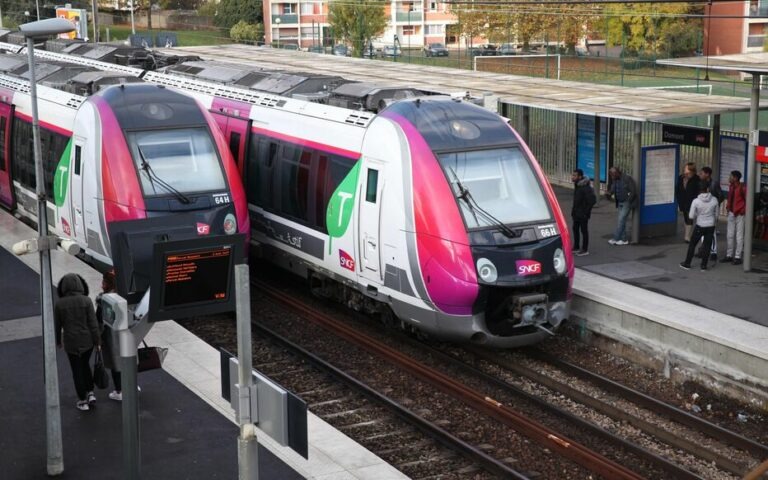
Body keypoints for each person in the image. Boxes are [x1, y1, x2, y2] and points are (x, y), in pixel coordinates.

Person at [55, 273, 101, 411]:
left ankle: (82, 400)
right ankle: (91, 393)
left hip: (71, 341)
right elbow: (93, 323)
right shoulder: (86, 301)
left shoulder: (59, 304)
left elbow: (57, 326)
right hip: (87, 340)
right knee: (85, 365)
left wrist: (58, 341)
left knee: (76, 370)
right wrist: (97, 341)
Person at [96, 270, 123, 401]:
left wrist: (98, 339)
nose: (101, 285)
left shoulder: (103, 300)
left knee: (115, 362)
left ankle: (119, 390)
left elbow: (98, 321)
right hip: (126, 334)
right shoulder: (124, 296)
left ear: (107, 283)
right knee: (129, 359)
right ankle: (131, 385)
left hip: (111, 337)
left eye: (103, 282)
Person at [680, 183, 719, 271]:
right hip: (711, 225)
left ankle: (687, 263)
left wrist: (699, 214)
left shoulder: (696, 201)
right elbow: (717, 215)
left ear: (699, 191)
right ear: (708, 189)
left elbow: (691, 216)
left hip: (700, 225)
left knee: (692, 244)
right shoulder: (714, 200)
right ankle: (703, 266)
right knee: (707, 245)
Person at [696, 166, 724, 262]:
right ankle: (704, 250)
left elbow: (721, 196)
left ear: (707, 174)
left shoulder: (714, 183)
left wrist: (714, 205)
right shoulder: (701, 183)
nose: (700, 175)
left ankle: (713, 252)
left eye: (702, 173)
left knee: (712, 233)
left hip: (711, 211)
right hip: (703, 211)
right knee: (703, 232)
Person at [605, 166, 638, 245]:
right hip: (619, 202)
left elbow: (633, 191)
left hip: (627, 202)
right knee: (621, 221)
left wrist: (629, 201)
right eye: (611, 175)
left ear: (617, 173)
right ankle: (624, 239)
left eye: (613, 174)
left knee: (621, 220)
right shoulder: (615, 179)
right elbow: (613, 189)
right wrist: (609, 193)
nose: (612, 177)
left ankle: (616, 238)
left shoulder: (627, 178)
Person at [722, 170, 746, 265]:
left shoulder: (743, 188)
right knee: (730, 235)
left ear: (735, 178)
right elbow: (729, 198)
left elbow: (747, 200)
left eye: (731, 176)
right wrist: (728, 207)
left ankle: (737, 256)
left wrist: (743, 210)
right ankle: (729, 255)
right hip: (732, 212)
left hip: (739, 213)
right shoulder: (731, 186)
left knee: (739, 236)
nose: (729, 178)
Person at [571, 168, 596, 256]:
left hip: (582, 214)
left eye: (574, 175)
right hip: (577, 213)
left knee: (584, 231)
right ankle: (576, 247)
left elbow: (592, 200)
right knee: (575, 229)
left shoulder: (585, 188)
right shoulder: (578, 185)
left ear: (580, 176)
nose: (572, 177)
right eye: (573, 175)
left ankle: (585, 249)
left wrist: (586, 212)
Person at [675, 162, 700, 243]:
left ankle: (687, 236)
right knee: (686, 217)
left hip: (692, 201)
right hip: (683, 200)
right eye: (685, 168)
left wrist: (696, 200)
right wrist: (678, 198)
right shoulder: (681, 177)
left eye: (687, 168)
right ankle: (687, 234)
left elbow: (698, 190)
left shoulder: (696, 179)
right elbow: (677, 188)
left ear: (692, 170)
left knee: (690, 217)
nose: (685, 170)